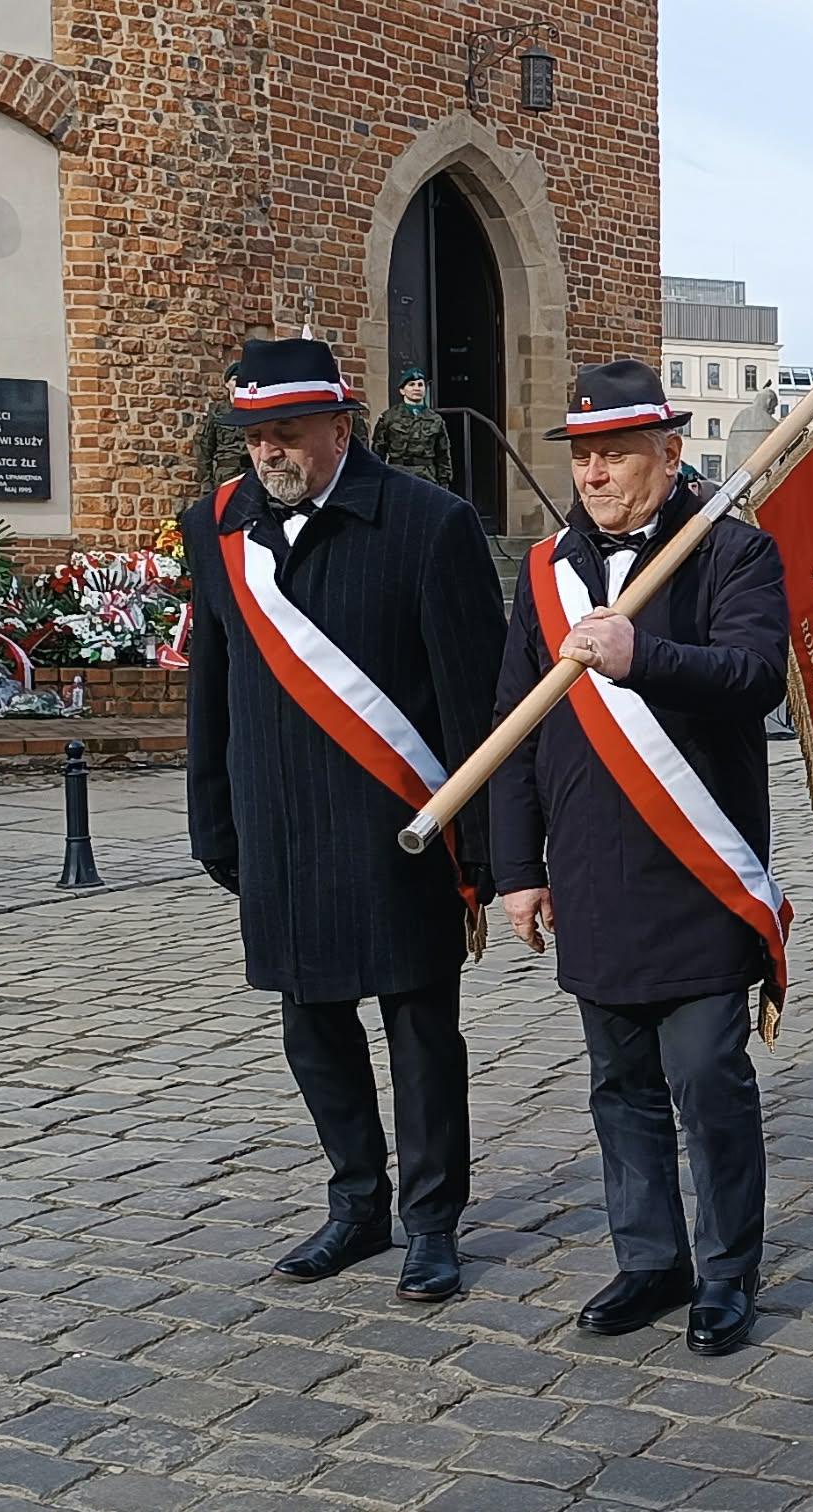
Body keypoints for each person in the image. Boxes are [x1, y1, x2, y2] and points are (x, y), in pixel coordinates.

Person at [183, 337, 504, 1302]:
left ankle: (433, 1221)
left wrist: (484, 849)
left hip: (397, 829)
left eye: (286, 433)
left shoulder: (429, 523)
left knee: (419, 1031)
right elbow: (214, 685)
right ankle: (356, 1201)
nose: (268, 455)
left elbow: (472, 705)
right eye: (253, 438)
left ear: (339, 425)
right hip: (279, 822)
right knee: (311, 1026)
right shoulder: (217, 527)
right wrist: (214, 819)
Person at [490, 360, 786, 1357]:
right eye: (583, 455)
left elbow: (752, 676)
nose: (597, 473)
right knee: (617, 1082)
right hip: (589, 869)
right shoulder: (543, 573)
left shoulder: (732, 555)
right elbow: (513, 731)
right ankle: (650, 1259)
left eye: (617, 453)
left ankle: (728, 1270)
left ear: (668, 452)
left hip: (698, 866)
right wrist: (516, 869)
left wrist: (640, 657)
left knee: (704, 1075)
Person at [370, 367, 456, 491]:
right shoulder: (389, 417)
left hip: (427, 476)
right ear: (402, 390)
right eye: (411, 385)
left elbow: (443, 454)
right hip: (397, 474)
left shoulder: (435, 419)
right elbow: (378, 451)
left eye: (420, 385)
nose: (417, 388)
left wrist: (444, 482)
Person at [191, 359, 250, 492]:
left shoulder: (254, 412)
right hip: (226, 475)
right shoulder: (217, 413)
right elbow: (204, 449)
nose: (239, 384)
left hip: (250, 474)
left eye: (243, 380)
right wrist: (206, 482)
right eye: (235, 380)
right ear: (227, 384)